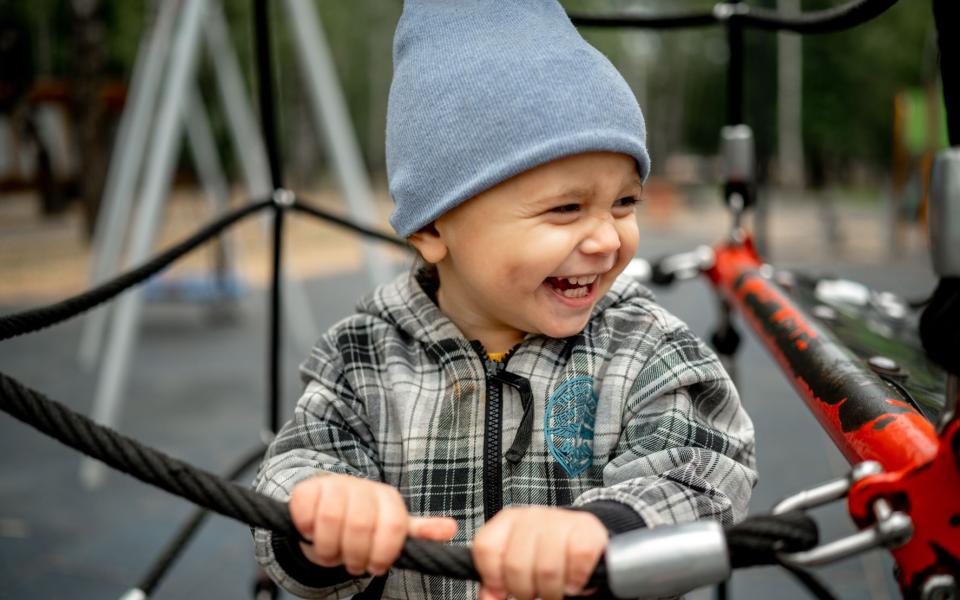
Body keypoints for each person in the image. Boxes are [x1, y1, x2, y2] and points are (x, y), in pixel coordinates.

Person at [253, 1, 757, 598]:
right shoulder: (363, 356)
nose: (606, 238)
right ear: (434, 230)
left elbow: (706, 472)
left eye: (624, 203)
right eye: (566, 208)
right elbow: (290, 476)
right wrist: (324, 514)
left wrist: (600, 529)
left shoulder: (643, 346)